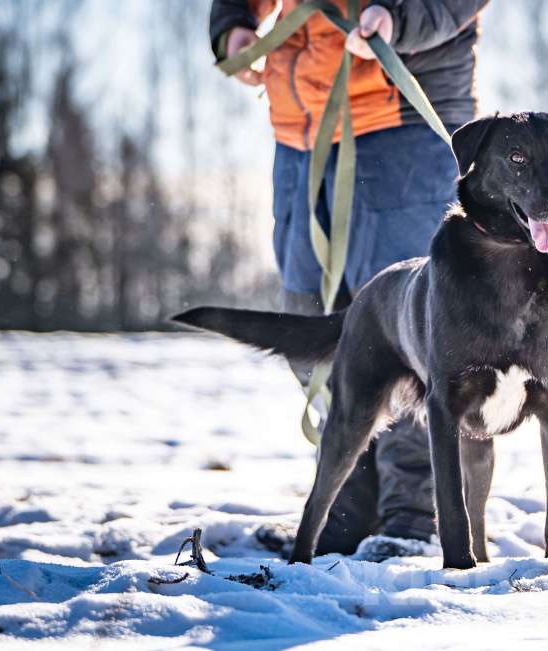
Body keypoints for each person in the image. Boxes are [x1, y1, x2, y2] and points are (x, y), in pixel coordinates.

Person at [208, 0, 488, 559]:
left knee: (414, 336)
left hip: (405, 113)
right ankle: (345, 512)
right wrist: (234, 25)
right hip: (301, 125)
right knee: (312, 326)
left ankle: (414, 518)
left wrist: (398, 19)